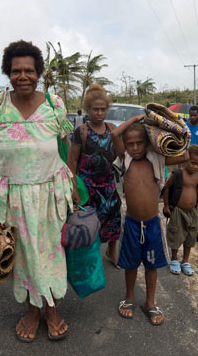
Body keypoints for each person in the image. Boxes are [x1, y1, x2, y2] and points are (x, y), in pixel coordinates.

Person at [0, 39, 75, 343]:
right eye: (16, 70)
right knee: (25, 256)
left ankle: (51, 308)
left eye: (29, 70)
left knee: (51, 252)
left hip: (50, 193)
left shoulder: (55, 105)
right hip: (12, 194)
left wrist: (72, 182)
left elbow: (66, 145)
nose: (23, 76)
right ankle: (33, 311)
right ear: (8, 72)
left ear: (38, 72)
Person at [112, 115, 189, 326]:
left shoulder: (157, 159)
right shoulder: (124, 159)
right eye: (131, 144)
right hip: (132, 223)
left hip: (153, 224)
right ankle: (129, 298)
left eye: (139, 143)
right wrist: (137, 118)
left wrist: (166, 130)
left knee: (151, 265)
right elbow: (115, 134)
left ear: (147, 142)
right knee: (130, 264)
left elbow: (185, 154)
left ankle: (150, 302)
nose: (135, 147)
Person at [67, 84, 121, 268]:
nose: (99, 113)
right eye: (95, 109)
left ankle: (112, 250)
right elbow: (72, 162)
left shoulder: (112, 129)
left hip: (108, 185)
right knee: (88, 223)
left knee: (113, 219)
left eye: (103, 109)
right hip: (87, 188)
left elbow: (120, 155)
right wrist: (73, 187)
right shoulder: (81, 131)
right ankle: (90, 258)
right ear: (88, 110)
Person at [163, 145, 198, 276]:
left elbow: (196, 191)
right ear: (186, 160)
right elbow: (167, 188)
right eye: (193, 163)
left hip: (192, 211)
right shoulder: (178, 174)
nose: (195, 167)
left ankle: (185, 261)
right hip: (178, 211)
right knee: (176, 234)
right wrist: (166, 205)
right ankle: (175, 259)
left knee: (191, 236)